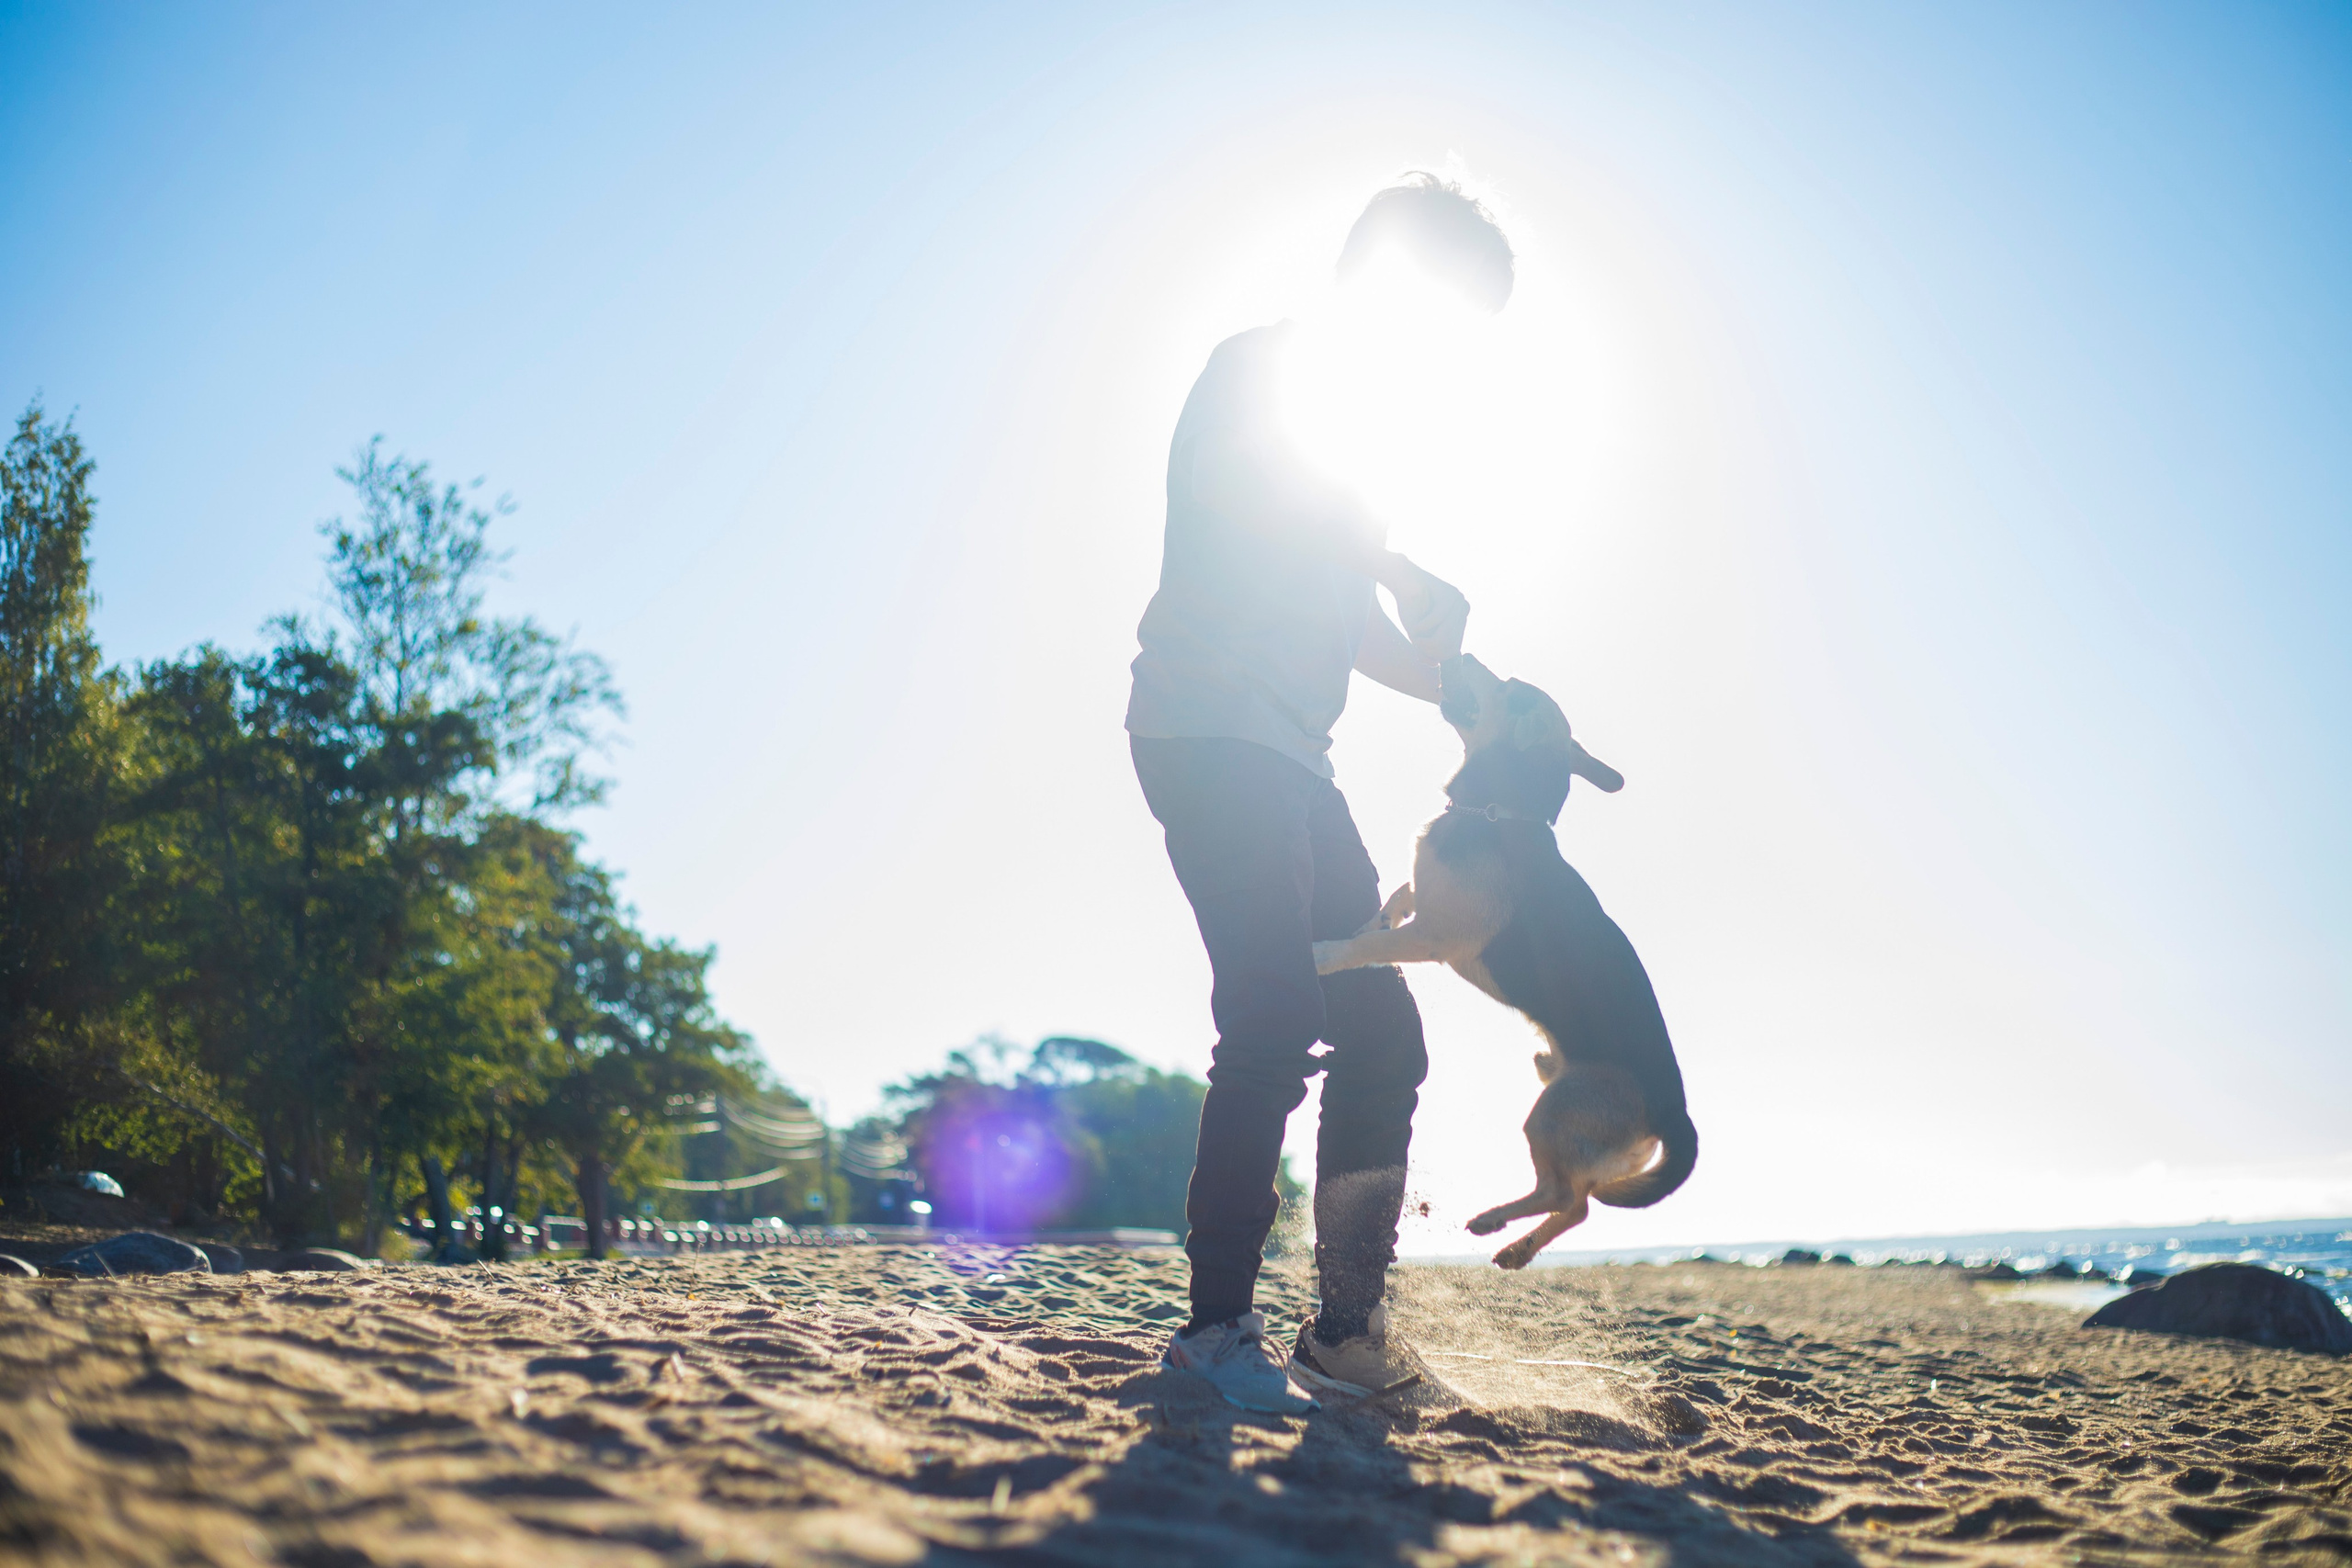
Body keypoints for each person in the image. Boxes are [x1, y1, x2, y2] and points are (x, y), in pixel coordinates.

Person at [1127, 174, 1514, 1412]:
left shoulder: (1364, 452)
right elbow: (1254, 500)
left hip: (1295, 762)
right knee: (1274, 1008)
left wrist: (1460, 683)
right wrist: (1395, 558)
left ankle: (1346, 1335)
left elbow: (1351, 627)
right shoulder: (1259, 373)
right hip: (1206, 735)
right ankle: (1213, 1334)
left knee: (1385, 1035)